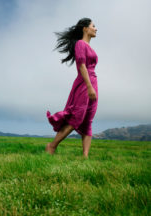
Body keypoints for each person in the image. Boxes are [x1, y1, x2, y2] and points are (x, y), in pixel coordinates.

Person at [45, 18, 98, 158]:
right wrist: (89, 87)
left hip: (93, 82)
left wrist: (93, 86)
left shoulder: (90, 47)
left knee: (88, 120)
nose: (96, 28)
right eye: (93, 26)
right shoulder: (80, 44)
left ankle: (85, 157)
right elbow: (81, 66)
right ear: (85, 29)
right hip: (84, 84)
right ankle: (52, 145)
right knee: (77, 117)